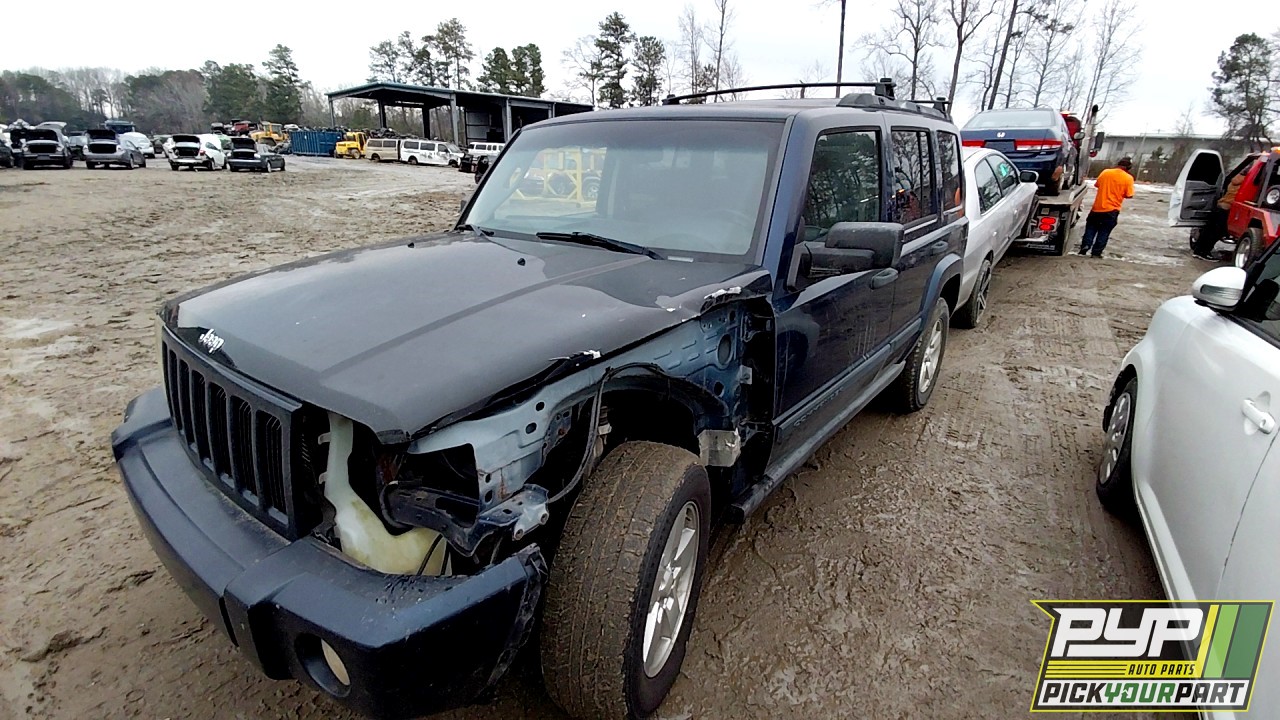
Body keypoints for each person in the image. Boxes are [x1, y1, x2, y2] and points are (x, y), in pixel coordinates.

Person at [1079, 156, 1136, 257]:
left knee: (1091, 228)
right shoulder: (1128, 178)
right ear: (1129, 167)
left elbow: (1097, 185)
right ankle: (1096, 252)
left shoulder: (1106, 172)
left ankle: (1085, 246)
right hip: (1112, 210)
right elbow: (1129, 195)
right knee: (1104, 232)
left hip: (1097, 208)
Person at [1193, 171, 1246, 260]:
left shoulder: (1235, 180)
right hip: (1226, 209)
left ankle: (1198, 251)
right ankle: (1204, 253)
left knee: (1208, 229)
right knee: (1217, 232)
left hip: (1220, 205)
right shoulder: (1246, 181)